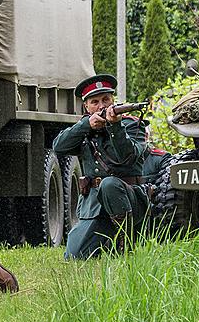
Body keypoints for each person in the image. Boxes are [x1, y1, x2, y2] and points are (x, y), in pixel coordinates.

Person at [53, 74, 148, 260]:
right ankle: (107, 241)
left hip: (128, 200)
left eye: (106, 99)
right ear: (86, 107)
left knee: (110, 184)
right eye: (95, 102)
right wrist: (85, 126)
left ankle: (125, 243)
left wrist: (115, 127)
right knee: (74, 255)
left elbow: (128, 156)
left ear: (113, 100)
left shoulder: (130, 124)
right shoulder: (85, 128)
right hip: (94, 205)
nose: (102, 105)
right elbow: (59, 146)